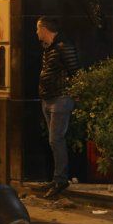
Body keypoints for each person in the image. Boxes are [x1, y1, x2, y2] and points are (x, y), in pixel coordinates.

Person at [37, 16, 80, 199]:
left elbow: (75, 70)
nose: (36, 33)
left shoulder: (63, 46)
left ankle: (60, 179)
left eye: (38, 29)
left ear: (45, 29)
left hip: (61, 98)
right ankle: (57, 177)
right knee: (53, 140)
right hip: (48, 98)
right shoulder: (48, 48)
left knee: (56, 139)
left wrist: (71, 92)